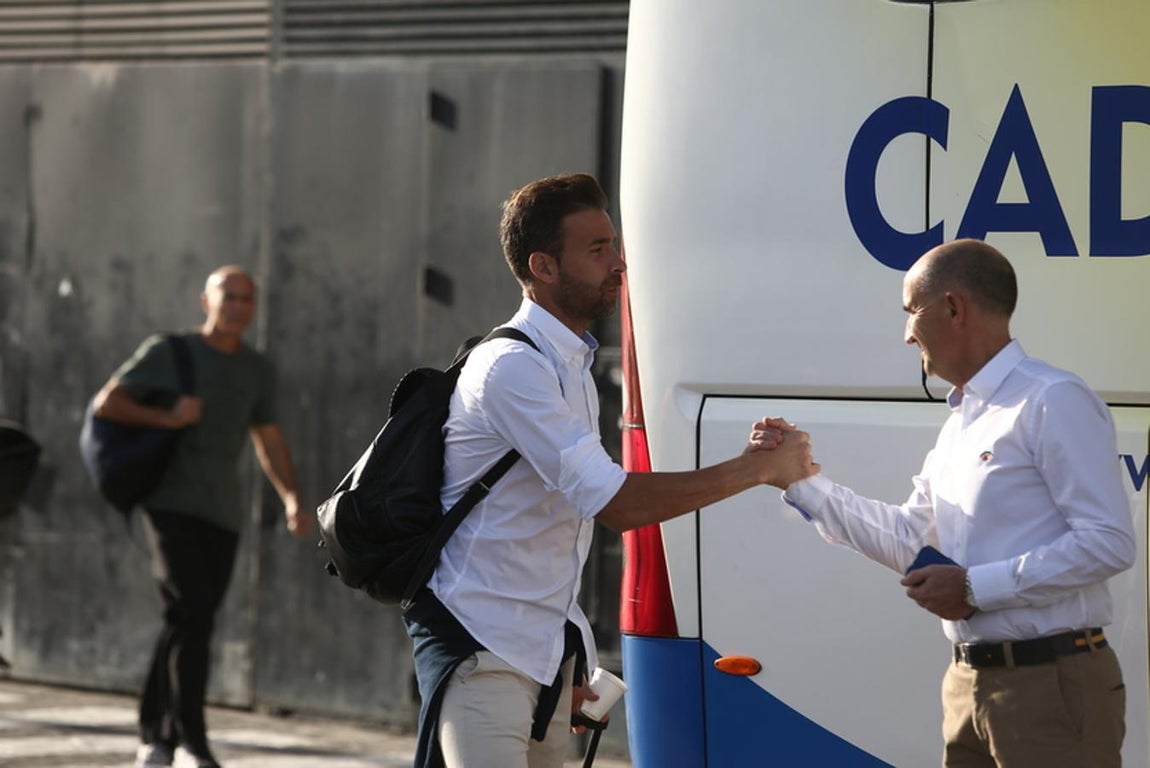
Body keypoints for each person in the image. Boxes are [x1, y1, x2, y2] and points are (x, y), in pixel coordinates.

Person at [403, 173, 814, 768]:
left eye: (614, 245)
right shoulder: (513, 368)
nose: (619, 263)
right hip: (480, 651)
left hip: (537, 659)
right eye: (597, 250)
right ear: (543, 267)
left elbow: (556, 527)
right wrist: (756, 470)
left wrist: (565, 657)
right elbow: (616, 505)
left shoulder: (569, 361)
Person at [756, 238, 1136, 767]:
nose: (906, 332)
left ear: (954, 307)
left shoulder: (1051, 398)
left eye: (912, 311)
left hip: (1050, 685)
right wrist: (798, 483)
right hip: (969, 681)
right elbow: (911, 539)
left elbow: (1109, 543)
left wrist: (977, 587)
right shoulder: (965, 418)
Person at [92, 266, 311, 768]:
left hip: (223, 512)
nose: (237, 307)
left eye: (246, 299)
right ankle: (191, 740)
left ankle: (156, 736)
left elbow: (268, 439)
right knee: (190, 612)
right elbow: (109, 402)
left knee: (188, 619)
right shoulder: (171, 352)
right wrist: (167, 417)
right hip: (169, 504)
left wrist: (292, 498)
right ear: (206, 301)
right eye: (228, 297)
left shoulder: (256, 370)